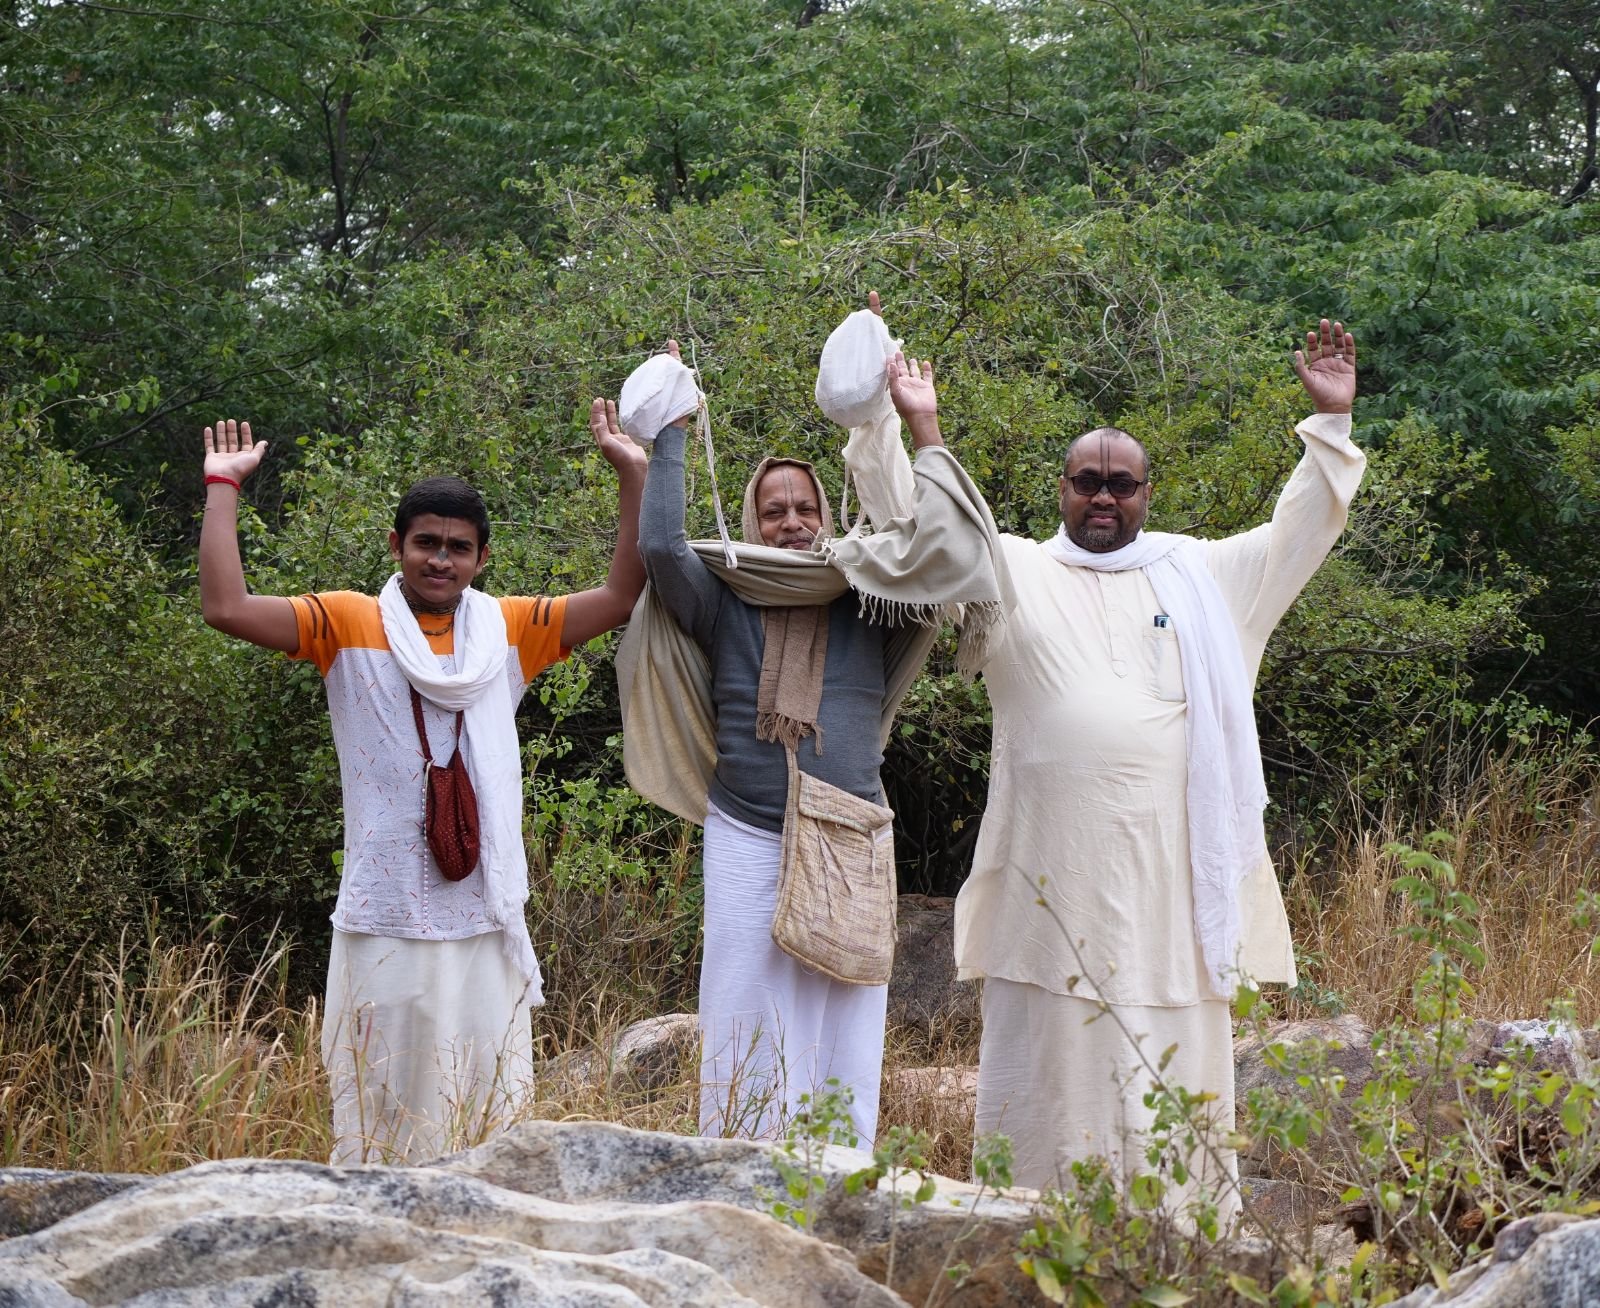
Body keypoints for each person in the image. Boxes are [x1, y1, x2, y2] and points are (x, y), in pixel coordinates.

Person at [955, 319, 1367, 1212]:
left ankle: (1182, 1240)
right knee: (1047, 1073)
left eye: (1121, 484)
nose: (1104, 498)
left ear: (1147, 492)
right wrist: (900, 427)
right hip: (1047, 887)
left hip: (1173, 893)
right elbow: (929, 536)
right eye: (1087, 482)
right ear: (1062, 489)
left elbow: (1299, 532)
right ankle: (1027, 1234)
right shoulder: (1012, 569)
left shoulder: (1204, 575)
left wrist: (1330, 423)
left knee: (1170, 1077)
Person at [197, 408, 646, 1163]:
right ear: (396, 546)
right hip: (384, 910)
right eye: (426, 544)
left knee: (484, 1102)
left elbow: (621, 596)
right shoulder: (346, 621)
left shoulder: (507, 629)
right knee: (382, 1102)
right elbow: (227, 608)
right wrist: (223, 487)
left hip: (481, 913)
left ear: (482, 557)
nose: (441, 560)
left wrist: (633, 476)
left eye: (458, 548)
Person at [627, 309, 1004, 1144]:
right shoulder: (724, 597)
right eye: (774, 511)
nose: (791, 522)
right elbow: (660, 549)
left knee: (847, 1013)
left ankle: (840, 1172)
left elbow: (944, 554)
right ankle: (741, 1162)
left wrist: (907, 421)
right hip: (747, 828)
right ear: (753, 523)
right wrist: (673, 427)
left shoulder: (870, 594)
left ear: (827, 515)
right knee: (743, 1008)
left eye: (804, 507)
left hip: (852, 828)